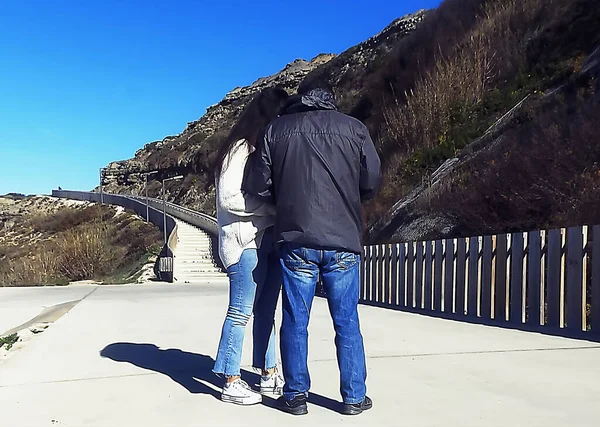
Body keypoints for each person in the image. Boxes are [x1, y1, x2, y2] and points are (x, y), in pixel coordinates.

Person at [243, 76, 381, 416]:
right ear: (330, 98)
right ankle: (353, 397)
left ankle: (295, 395)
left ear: (301, 98)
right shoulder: (354, 129)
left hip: (296, 238)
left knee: (294, 320)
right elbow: (372, 180)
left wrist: (286, 197)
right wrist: (350, 197)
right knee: (347, 320)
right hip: (344, 240)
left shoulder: (276, 130)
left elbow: (258, 186)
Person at [212, 87, 289, 405]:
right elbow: (229, 198)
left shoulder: (261, 148)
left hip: (267, 241)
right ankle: (230, 380)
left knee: (266, 312)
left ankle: (269, 374)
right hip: (244, 244)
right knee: (240, 311)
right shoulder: (240, 150)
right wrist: (271, 208)